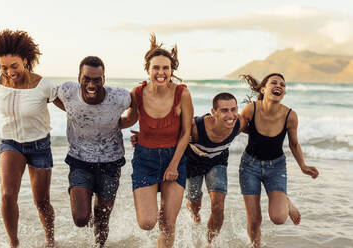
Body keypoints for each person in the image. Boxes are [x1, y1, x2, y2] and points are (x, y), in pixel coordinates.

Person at [0, 29, 61, 248]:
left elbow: (69, 108)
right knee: (8, 195)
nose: (9, 71)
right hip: (11, 142)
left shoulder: (43, 85)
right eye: (4, 67)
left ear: (25, 60)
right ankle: (14, 243)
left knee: (42, 202)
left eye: (14, 66)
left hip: (39, 145)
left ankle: (50, 241)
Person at [122, 34, 193, 248]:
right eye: (156, 68)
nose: (161, 73)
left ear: (172, 70)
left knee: (168, 224)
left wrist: (173, 165)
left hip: (175, 159)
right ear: (147, 70)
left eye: (166, 68)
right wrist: (101, 122)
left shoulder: (182, 94)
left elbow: (186, 133)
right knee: (147, 222)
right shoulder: (138, 93)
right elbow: (130, 119)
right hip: (145, 159)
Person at [57, 56, 131, 247]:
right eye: (86, 78)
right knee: (81, 219)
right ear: (79, 77)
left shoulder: (120, 97)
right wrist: (73, 112)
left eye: (97, 79)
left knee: (103, 216)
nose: (91, 84)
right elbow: (49, 96)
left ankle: (99, 245)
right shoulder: (67, 91)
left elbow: (136, 109)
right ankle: (82, 198)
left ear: (104, 79)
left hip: (111, 161)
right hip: (79, 160)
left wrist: (121, 124)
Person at [239, 73, 319, 247]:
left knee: (278, 218)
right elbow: (235, 129)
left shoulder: (290, 115)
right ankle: (256, 246)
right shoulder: (251, 109)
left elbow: (294, 144)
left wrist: (303, 166)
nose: (279, 86)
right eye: (273, 83)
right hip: (249, 166)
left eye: (282, 84)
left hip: (276, 167)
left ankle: (286, 202)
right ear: (263, 89)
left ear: (283, 92)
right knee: (254, 219)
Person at [185, 92, 246, 246]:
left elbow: (260, 128)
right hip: (193, 163)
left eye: (233, 109)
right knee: (195, 205)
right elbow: (173, 135)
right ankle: (193, 211)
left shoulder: (239, 123)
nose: (230, 115)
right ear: (214, 112)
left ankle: (209, 243)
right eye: (224, 110)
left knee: (218, 206)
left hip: (217, 162)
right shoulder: (196, 127)